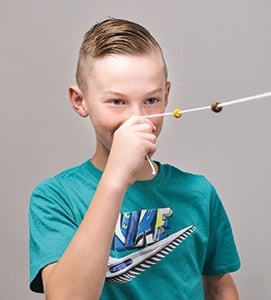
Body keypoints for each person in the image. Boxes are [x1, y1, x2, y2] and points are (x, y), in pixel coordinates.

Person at [29, 17, 240, 299]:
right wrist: (116, 177)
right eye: (117, 102)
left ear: (166, 96)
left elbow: (218, 285)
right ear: (80, 102)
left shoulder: (199, 192)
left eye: (151, 100)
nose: (137, 119)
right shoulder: (55, 198)